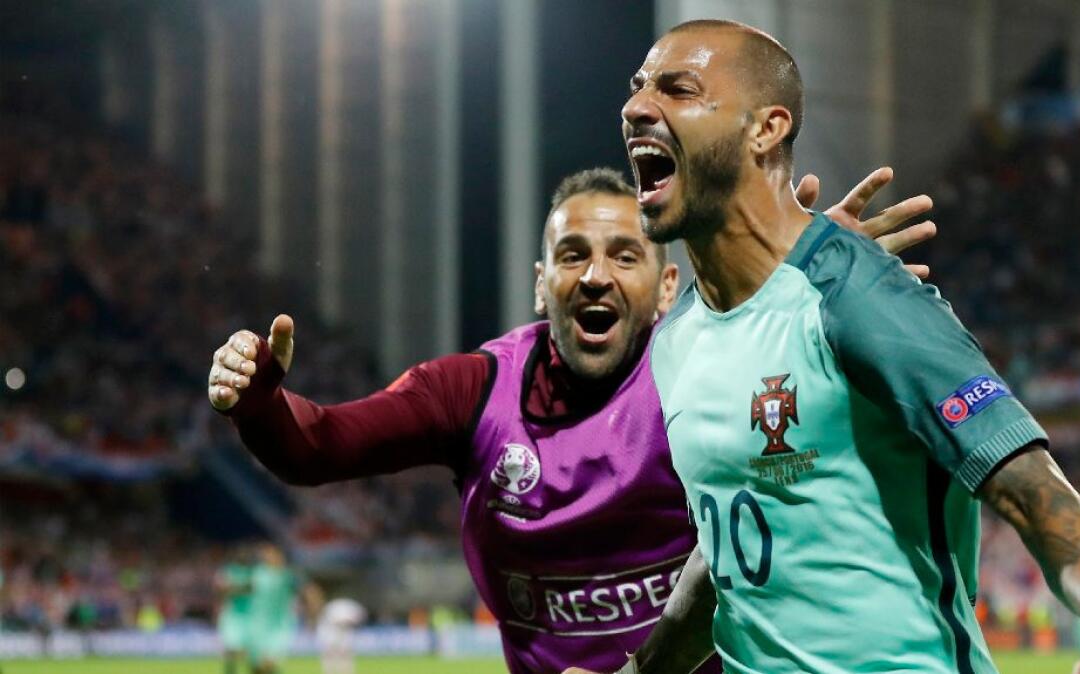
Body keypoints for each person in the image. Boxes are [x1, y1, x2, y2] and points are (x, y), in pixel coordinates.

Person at [568, 18, 1080, 674]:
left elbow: (1031, 486)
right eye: (637, 88)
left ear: (766, 129)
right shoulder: (677, 341)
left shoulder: (857, 297)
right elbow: (732, 551)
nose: (636, 107)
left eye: (678, 89)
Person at [208, 165, 935, 673]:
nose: (595, 275)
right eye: (572, 255)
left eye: (626, 255)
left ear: (665, 287)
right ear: (540, 283)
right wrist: (259, 400)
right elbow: (318, 446)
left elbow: (817, 390)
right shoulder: (471, 393)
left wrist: (821, 294)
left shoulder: (716, 370)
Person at [246, 544, 299, 674]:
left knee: (269, 662)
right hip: (258, 624)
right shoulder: (257, 574)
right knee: (257, 665)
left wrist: (313, 612)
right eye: (265, 554)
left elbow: (308, 591)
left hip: (280, 625)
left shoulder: (289, 576)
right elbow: (244, 590)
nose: (267, 557)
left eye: (271, 554)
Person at [216, 546, 255, 674]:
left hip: (250, 615)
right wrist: (243, 588)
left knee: (250, 649)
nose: (244, 556)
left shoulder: (252, 571)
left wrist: (234, 589)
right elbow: (221, 591)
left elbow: (255, 589)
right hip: (232, 615)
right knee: (230, 647)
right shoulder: (228, 571)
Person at [316, 596, 366, 674]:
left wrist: (349, 622)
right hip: (331, 632)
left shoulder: (352, 607)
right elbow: (331, 620)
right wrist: (343, 622)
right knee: (329, 653)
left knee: (345, 653)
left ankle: (346, 671)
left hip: (345, 632)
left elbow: (359, 618)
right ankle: (329, 671)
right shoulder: (332, 607)